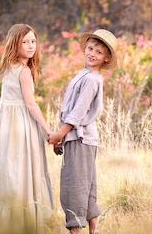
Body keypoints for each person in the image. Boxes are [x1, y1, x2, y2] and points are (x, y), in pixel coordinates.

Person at [0, 24, 54, 234]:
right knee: (22, 169)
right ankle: (22, 221)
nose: (31, 46)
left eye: (33, 41)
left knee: (10, 170)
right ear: (15, 44)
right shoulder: (23, 71)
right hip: (21, 126)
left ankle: (5, 220)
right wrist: (47, 129)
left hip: (5, 126)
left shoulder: (8, 67)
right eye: (25, 42)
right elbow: (30, 104)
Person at [48, 29, 118, 234]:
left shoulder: (92, 79)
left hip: (81, 138)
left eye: (99, 52)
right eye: (90, 48)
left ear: (106, 58)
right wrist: (62, 137)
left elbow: (78, 112)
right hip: (79, 138)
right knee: (85, 182)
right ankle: (92, 230)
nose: (93, 54)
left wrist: (60, 133)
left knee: (74, 184)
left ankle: (77, 229)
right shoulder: (83, 75)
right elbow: (71, 108)